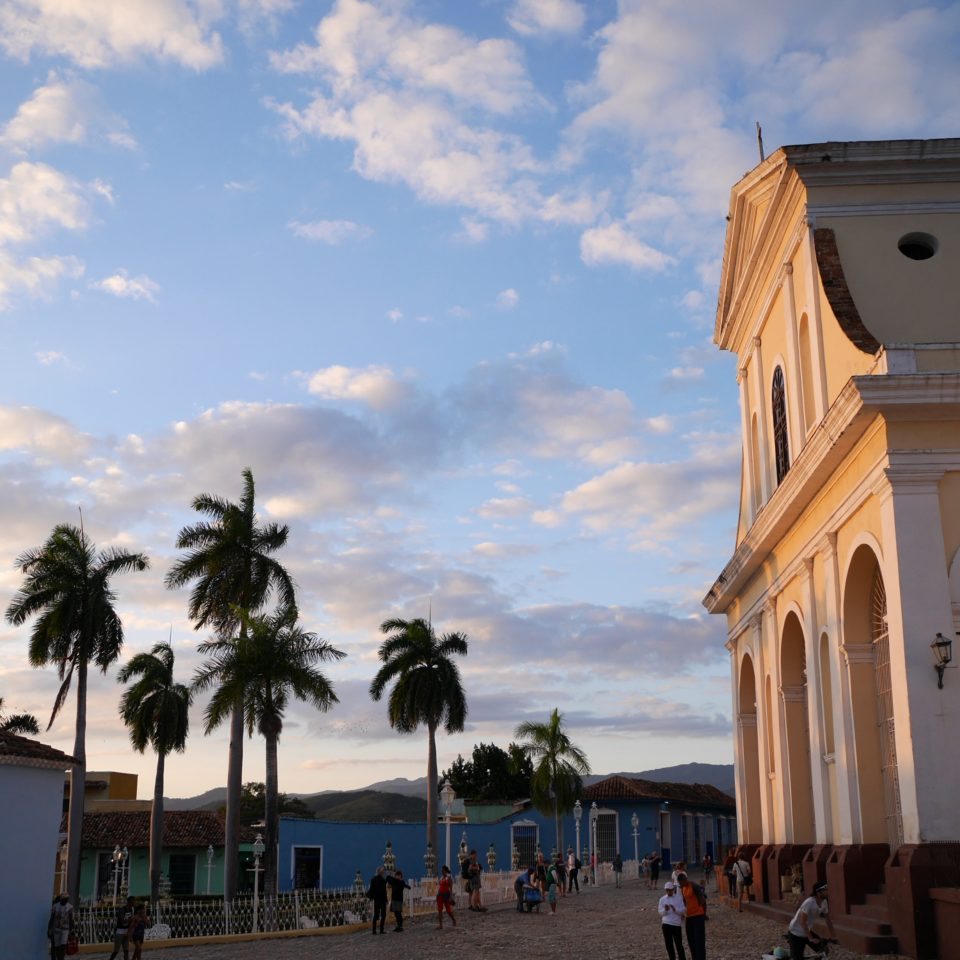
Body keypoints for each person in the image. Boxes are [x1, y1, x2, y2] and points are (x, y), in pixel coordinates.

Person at [787, 881, 836, 960]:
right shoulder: (809, 902)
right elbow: (802, 922)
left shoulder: (824, 902)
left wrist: (834, 936)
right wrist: (810, 938)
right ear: (818, 893)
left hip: (807, 931)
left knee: (823, 950)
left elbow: (828, 920)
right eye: (825, 890)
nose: (827, 892)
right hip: (795, 933)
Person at [677, 872, 707, 960]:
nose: (681, 885)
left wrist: (704, 913)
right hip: (689, 917)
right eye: (680, 884)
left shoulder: (693, 885)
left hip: (698, 916)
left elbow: (703, 898)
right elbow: (684, 902)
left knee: (699, 941)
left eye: (681, 883)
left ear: (685, 880)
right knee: (691, 941)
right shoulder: (683, 889)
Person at [658, 880, 687, 960]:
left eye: (670, 890)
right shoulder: (662, 899)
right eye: (667, 890)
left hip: (676, 924)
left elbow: (683, 910)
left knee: (679, 945)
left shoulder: (679, 898)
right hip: (666, 924)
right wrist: (665, 910)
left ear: (673, 889)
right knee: (669, 945)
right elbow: (660, 912)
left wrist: (675, 910)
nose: (668, 891)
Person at [48, 894, 75, 960]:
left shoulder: (69, 907)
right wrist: (49, 929)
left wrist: (72, 930)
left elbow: (71, 919)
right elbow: (52, 918)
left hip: (63, 929)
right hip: (56, 930)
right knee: (57, 947)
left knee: (61, 947)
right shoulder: (55, 907)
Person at [108, 896, 135, 960]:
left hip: (126, 932)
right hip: (119, 932)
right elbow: (121, 920)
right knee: (116, 951)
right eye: (133, 901)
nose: (134, 902)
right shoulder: (122, 909)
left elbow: (130, 922)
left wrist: (130, 932)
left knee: (126, 951)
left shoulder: (131, 910)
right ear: (129, 902)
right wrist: (131, 919)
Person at [367, 865, 388, 935]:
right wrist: (386, 899)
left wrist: (371, 897)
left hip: (377, 899)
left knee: (376, 915)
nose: (383, 872)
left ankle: (375, 930)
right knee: (382, 915)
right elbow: (383, 891)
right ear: (379, 871)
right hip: (380, 899)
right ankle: (380, 930)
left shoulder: (375, 879)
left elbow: (372, 890)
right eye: (382, 870)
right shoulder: (381, 880)